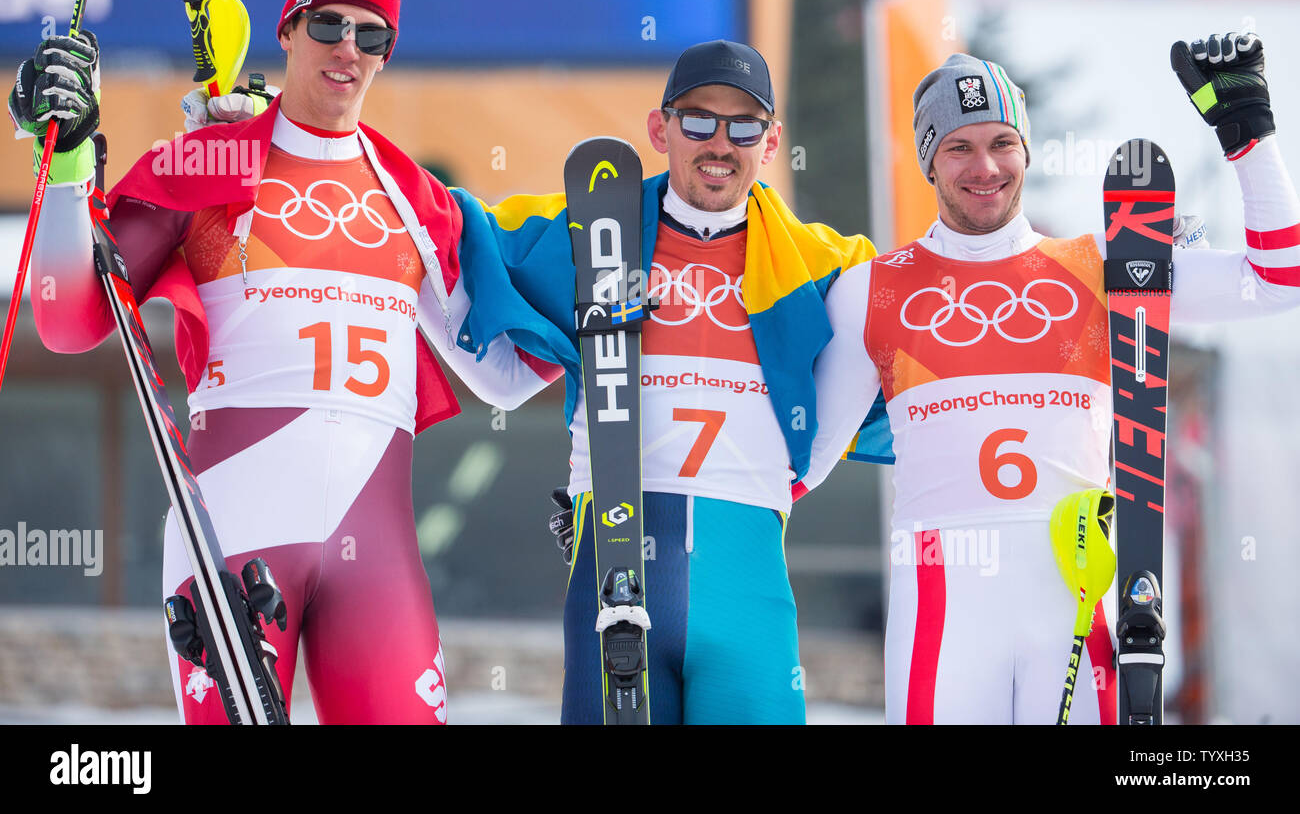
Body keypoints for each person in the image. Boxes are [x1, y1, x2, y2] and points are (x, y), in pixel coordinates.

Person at [11, 0, 553, 724]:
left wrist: (604, 327)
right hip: (233, 531)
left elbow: (499, 371)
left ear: (388, 52)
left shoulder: (417, 197)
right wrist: (64, 170)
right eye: (328, 24)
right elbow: (71, 320)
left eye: (372, 35)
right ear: (288, 28)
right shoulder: (203, 164)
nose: (348, 49)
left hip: (379, 558)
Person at [799, 36, 1300, 723]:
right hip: (942, 614)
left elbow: (1278, 280)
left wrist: (1248, 134)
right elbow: (801, 468)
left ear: (1027, 150)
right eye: (958, 147)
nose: (985, 166)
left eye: (1003, 142)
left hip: (1072, 597)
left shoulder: (1105, 263)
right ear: (928, 160)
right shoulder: (872, 291)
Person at [448, 40, 892, 724]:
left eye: (744, 125)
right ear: (660, 130)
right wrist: (254, 144)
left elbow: (933, 306)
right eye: (698, 121)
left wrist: (790, 476)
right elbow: (442, 225)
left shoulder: (828, 265)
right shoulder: (586, 229)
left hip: (748, 581)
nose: (720, 142)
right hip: (616, 562)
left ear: (771, 142)